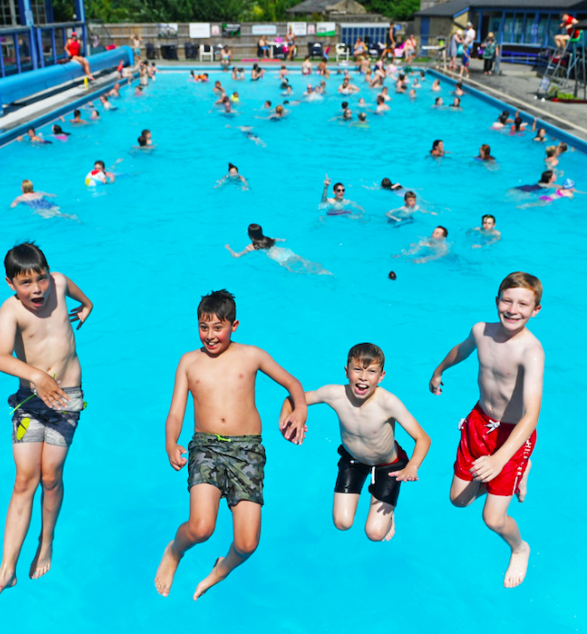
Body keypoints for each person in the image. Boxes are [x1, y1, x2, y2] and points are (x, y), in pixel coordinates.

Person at [154, 290, 307, 600]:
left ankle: (220, 570)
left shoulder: (252, 356)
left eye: (217, 327)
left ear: (234, 325)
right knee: (200, 528)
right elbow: (175, 412)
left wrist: (300, 413)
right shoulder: (189, 362)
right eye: (203, 327)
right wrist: (171, 442)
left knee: (248, 544)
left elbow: (293, 385)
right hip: (205, 447)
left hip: (247, 451)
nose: (210, 335)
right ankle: (174, 551)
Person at [0, 243, 93, 606]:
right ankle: (6, 569)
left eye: (40, 278)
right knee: (24, 479)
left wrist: (87, 307)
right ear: (11, 283)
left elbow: (80, 294)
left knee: (50, 477)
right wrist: (35, 377)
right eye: (26, 283)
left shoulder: (59, 284)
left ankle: (46, 541)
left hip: (66, 400)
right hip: (29, 403)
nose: (37, 289)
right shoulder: (10, 311)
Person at [428, 272, 544, 588]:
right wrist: (439, 371)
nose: (513, 309)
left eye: (523, 304)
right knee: (458, 500)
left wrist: (500, 460)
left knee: (492, 519)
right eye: (507, 300)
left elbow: (531, 415)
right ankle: (518, 469)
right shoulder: (482, 331)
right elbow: (461, 350)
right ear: (496, 302)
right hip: (480, 423)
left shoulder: (531, 351)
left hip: (513, 436)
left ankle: (520, 548)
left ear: (536, 311)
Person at [278, 343, 430, 541]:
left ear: (381, 376)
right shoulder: (334, 394)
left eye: (371, 372)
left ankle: (389, 515)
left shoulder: (388, 403)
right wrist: (288, 420)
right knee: (342, 523)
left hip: (388, 465)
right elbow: (292, 399)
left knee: (375, 534)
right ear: (346, 371)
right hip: (354, 459)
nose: (363, 377)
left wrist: (413, 466)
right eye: (357, 369)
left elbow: (423, 438)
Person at [225, 224, 330, 274]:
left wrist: (229, 249)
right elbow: (281, 240)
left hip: (277, 257)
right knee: (306, 263)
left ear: (250, 234)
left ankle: (319, 274)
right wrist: (283, 240)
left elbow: (237, 256)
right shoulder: (268, 238)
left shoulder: (251, 246)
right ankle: (325, 271)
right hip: (285, 251)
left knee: (300, 271)